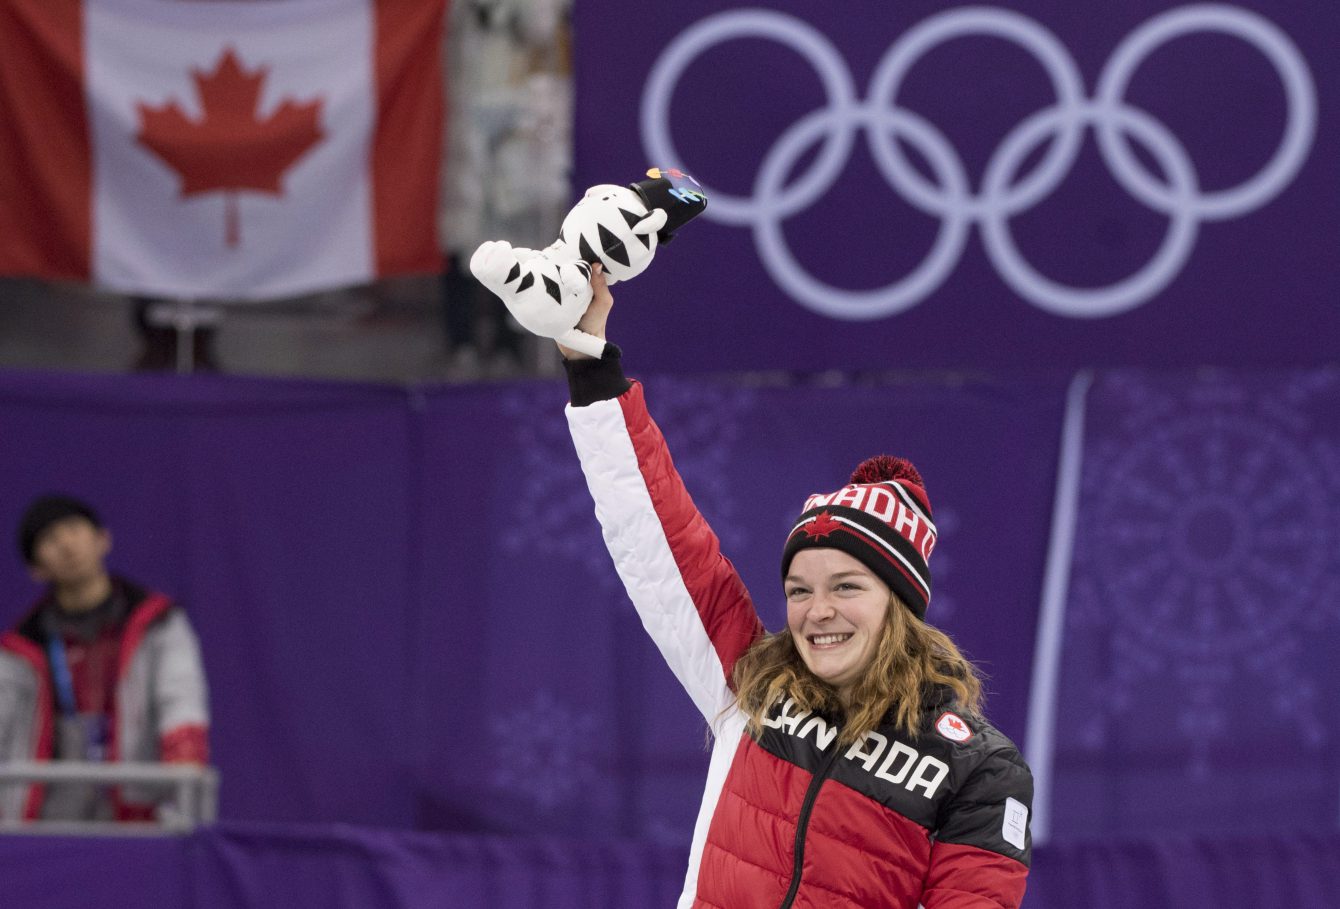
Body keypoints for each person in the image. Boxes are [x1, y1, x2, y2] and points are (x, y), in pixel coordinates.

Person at [554, 265, 1032, 908]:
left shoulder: (979, 768)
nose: (818, 611)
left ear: (901, 603)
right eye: (799, 590)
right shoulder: (751, 683)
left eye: (847, 586)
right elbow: (659, 537)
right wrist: (591, 367)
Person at [0, 495, 210, 822]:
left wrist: (181, 783)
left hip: (139, 816)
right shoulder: (18, 652)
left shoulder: (159, 626)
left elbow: (181, 704)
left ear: (102, 539)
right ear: (36, 569)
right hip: (48, 823)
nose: (67, 545)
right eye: (49, 539)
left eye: (73, 529)